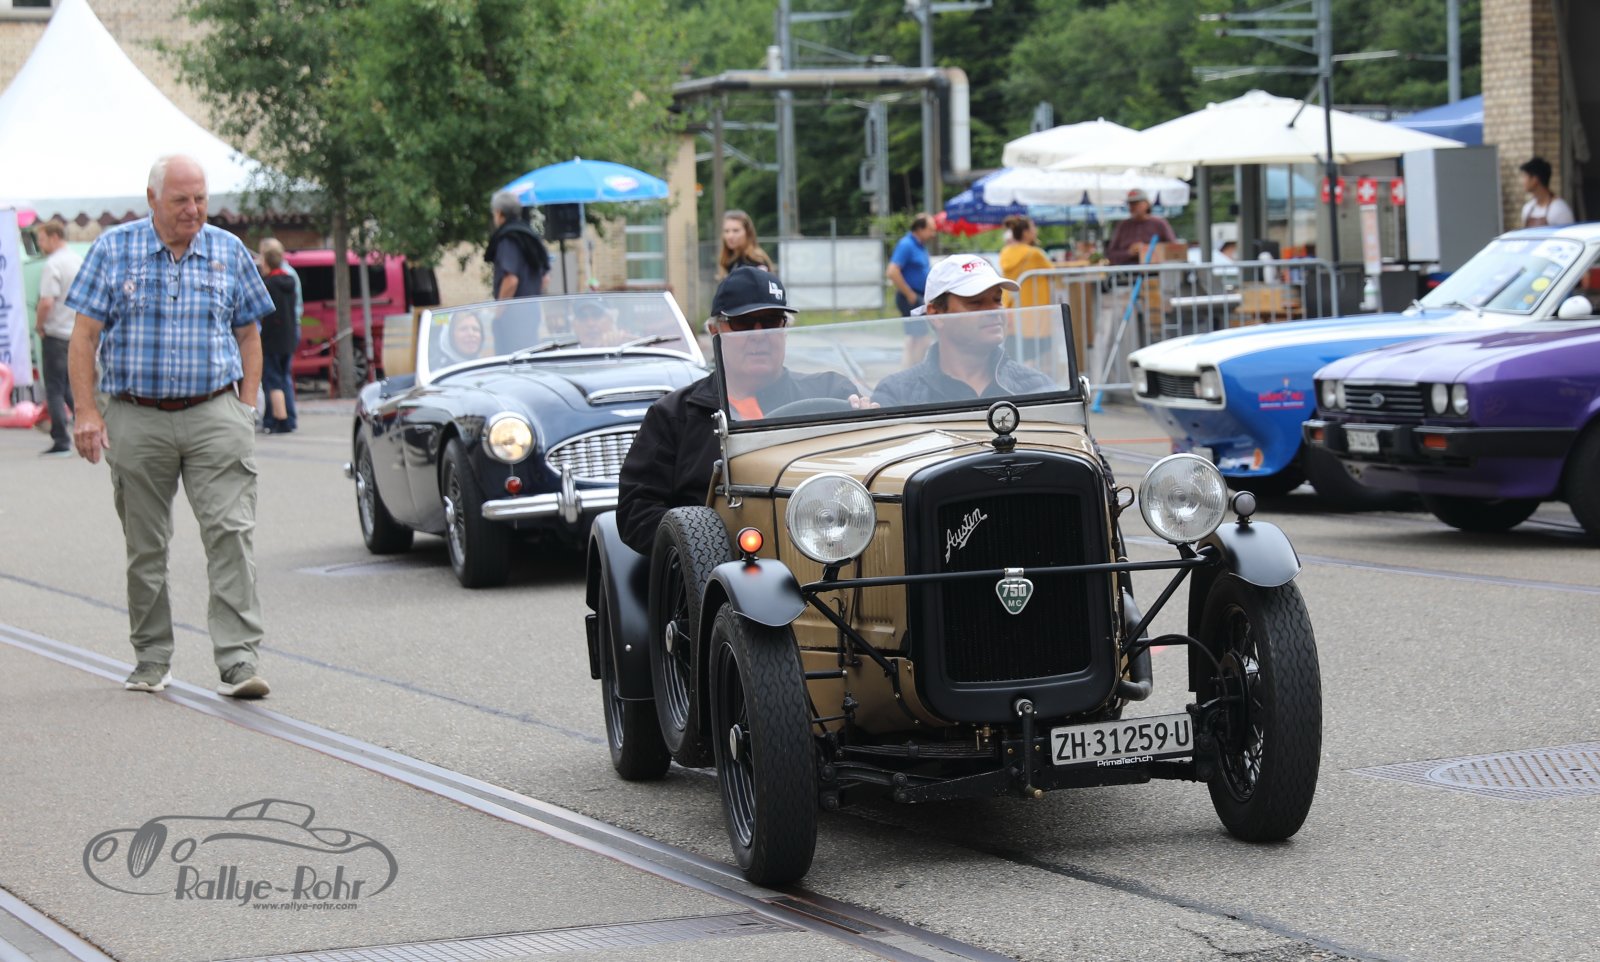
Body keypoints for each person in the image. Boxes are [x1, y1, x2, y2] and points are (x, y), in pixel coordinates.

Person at [64, 153, 276, 699]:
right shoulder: (114, 249)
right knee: (146, 545)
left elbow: (250, 335)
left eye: (201, 198)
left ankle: (238, 660)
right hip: (136, 415)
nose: (193, 209)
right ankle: (152, 658)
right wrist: (86, 411)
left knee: (231, 534)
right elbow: (84, 337)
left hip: (215, 413)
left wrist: (245, 408)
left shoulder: (228, 251)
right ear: (153, 198)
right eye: (181, 199)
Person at [616, 267, 863, 554]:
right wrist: (702, 540)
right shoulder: (674, 416)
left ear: (785, 329)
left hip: (826, 555)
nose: (760, 335)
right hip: (716, 570)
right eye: (743, 323)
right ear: (715, 331)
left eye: (771, 322)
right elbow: (636, 511)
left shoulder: (832, 393)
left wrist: (871, 421)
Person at [872, 254, 1056, 407]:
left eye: (997, 299)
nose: (994, 311)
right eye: (975, 302)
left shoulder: (1038, 388)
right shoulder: (895, 395)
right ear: (936, 314)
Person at [32, 220, 82, 456]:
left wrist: (39, 325)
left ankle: (61, 438)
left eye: (42, 240)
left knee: (54, 388)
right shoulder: (77, 260)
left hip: (55, 332)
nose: (40, 245)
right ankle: (87, 426)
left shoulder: (53, 264)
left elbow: (46, 301)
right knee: (71, 386)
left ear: (54, 237)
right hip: (75, 332)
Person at [998, 214, 1055, 358]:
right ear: (1025, 233)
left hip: (1013, 310)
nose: (1036, 231)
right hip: (1035, 314)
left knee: (1016, 355)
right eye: (1033, 228)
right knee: (1037, 357)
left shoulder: (1005, 252)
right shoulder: (1034, 254)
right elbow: (1054, 273)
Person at [258, 244, 299, 434]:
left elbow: (266, 316)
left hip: (272, 339)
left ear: (266, 261)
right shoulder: (290, 281)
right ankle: (289, 417)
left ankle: (279, 420)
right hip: (288, 337)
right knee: (285, 378)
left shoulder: (268, 285)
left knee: (272, 381)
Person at [887, 213, 936, 366]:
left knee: (913, 339)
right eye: (930, 230)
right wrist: (910, 294)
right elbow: (892, 271)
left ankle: (908, 369)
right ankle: (915, 370)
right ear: (920, 229)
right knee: (923, 339)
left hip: (917, 296)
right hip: (911, 297)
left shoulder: (920, 246)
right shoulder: (906, 245)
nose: (933, 234)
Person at [487, 190, 552, 299]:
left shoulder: (508, 238)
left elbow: (511, 280)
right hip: (533, 306)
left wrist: (499, 308)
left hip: (513, 308)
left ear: (499, 213)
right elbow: (545, 279)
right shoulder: (531, 235)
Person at [1107, 189, 1176, 266]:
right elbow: (1111, 254)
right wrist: (1129, 253)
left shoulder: (1160, 224)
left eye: (1136, 203)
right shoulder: (1123, 226)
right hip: (1128, 271)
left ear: (1146, 204)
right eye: (1130, 204)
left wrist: (1147, 250)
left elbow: (1174, 249)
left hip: (1154, 270)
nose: (1132, 207)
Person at [716, 209, 775, 279]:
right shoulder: (728, 261)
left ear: (748, 232)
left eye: (736, 231)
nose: (730, 236)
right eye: (726, 231)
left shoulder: (756, 261)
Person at [257, 237, 302, 324]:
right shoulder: (289, 275)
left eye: (261, 256)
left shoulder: (270, 282)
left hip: (280, 326)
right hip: (292, 324)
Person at [1519, 157, 1575, 227]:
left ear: (1535, 179)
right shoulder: (1527, 208)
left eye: (1525, 177)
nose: (1522, 181)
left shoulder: (1559, 209)